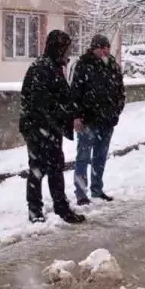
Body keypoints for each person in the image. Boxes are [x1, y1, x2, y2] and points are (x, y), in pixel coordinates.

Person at [20, 30, 86, 224]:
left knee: (55, 168)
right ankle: (36, 211)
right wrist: (64, 116)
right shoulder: (42, 69)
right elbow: (43, 103)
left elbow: (63, 98)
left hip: (49, 129)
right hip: (38, 129)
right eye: (67, 48)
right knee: (38, 169)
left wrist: (74, 113)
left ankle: (61, 207)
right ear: (58, 48)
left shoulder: (53, 67)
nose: (69, 52)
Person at [70, 34, 126, 205]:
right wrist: (77, 116)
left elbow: (120, 92)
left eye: (107, 47)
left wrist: (116, 111)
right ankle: (81, 192)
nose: (105, 51)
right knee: (83, 157)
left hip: (107, 120)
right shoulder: (83, 66)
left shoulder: (113, 67)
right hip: (88, 120)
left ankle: (97, 188)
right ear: (94, 48)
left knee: (100, 157)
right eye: (101, 47)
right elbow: (75, 93)